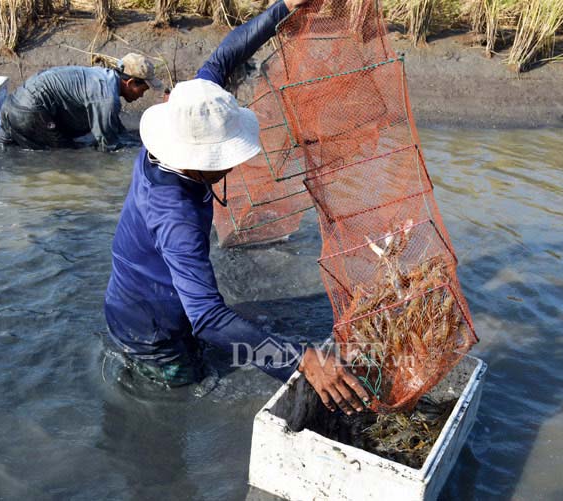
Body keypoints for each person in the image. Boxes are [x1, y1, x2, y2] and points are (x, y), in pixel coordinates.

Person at [104, 0, 369, 415]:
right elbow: (208, 317)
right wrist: (300, 359)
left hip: (147, 291)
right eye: (224, 157)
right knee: (184, 391)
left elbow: (225, 55)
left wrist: (283, 7)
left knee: (219, 336)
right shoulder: (177, 216)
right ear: (199, 160)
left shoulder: (188, 115)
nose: (232, 163)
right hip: (148, 328)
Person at [0, 53, 162, 151]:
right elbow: (108, 144)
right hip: (29, 111)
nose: (141, 96)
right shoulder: (106, 97)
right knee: (66, 155)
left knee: (5, 154)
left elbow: (113, 124)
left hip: (10, 105)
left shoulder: (102, 76)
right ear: (131, 82)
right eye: (143, 90)